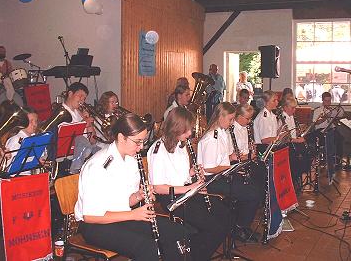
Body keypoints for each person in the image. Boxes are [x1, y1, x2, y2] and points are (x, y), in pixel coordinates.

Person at [74, 113, 189, 261]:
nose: (141, 147)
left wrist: (139, 195)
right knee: (147, 247)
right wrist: (134, 215)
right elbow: (90, 216)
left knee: (176, 231)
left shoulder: (131, 160)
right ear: (122, 137)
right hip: (96, 226)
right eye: (137, 142)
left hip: (121, 216)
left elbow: (124, 201)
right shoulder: (98, 166)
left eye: (143, 141)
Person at [148, 107, 229, 260]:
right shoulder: (158, 150)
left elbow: (181, 174)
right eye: (187, 130)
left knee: (224, 213)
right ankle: (195, 255)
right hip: (171, 198)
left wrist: (192, 172)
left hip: (186, 193)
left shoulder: (181, 144)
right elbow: (158, 187)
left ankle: (195, 251)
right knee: (214, 227)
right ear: (176, 128)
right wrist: (190, 187)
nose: (190, 133)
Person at [197, 102, 261, 243]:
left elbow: (222, 158)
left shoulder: (222, 134)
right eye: (230, 119)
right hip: (211, 180)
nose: (232, 122)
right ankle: (238, 227)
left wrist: (232, 158)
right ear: (220, 117)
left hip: (222, 174)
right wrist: (229, 168)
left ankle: (242, 225)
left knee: (254, 187)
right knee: (252, 194)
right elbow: (208, 168)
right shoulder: (211, 138)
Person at [61, 82, 101, 174]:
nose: (82, 100)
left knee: (102, 151)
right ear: (70, 94)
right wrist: (83, 122)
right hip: (69, 153)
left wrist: (89, 124)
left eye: (84, 98)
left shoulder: (79, 113)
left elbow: (93, 140)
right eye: (80, 96)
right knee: (81, 139)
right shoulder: (61, 112)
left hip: (85, 149)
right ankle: (75, 170)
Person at [231, 104, 266, 198]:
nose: (250, 121)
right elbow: (235, 154)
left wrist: (252, 149)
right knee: (259, 171)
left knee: (264, 168)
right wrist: (249, 156)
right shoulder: (232, 130)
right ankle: (255, 198)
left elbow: (246, 148)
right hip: (237, 162)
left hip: (247, 159)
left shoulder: (245, 128)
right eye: (247, 118)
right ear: (238, 117)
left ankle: (261, 200)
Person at [279, 97, 312, 190]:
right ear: (285, 107)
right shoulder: (282, 118)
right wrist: (297, 140)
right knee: (297, 161)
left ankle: (298, 177)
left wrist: (298, 132)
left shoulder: (291, 116)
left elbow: (292, 133)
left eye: (295, 108)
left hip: (293, 143)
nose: (294, 110)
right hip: (287, 145)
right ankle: (293, 181)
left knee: (309, 152)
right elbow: (285, 137)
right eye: (292, 108)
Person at [5, 107, 47, 175]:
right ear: (22, 122)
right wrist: (35, 162)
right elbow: (10, 166)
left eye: (36, 121)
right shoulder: (16, 140)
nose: (35, 125)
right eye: (31, 121)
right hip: (20, 177)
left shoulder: (36, 137)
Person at [253, 90, 280, 154]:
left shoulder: (272, 115)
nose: (277, 103)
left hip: (270, 148)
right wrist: (278, 138)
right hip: (263, 150)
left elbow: (273, 133)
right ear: (266, 102)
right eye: (274, 101)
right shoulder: (263, 117)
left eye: (277, 100)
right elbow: (264, 140)